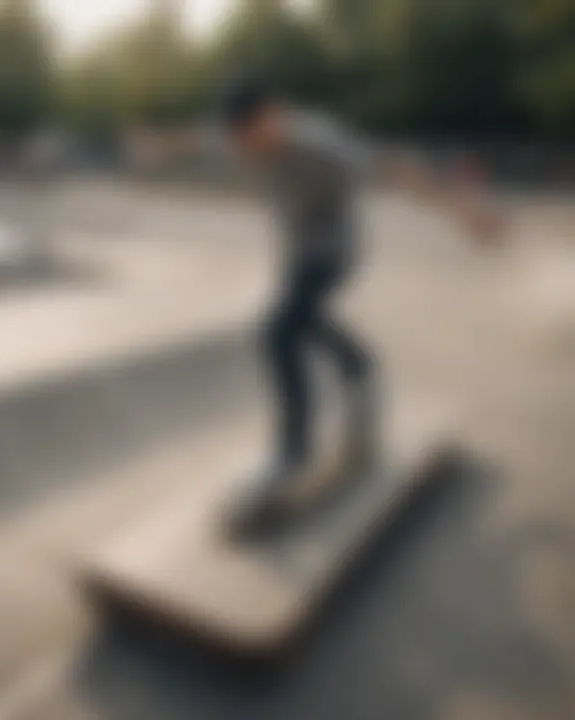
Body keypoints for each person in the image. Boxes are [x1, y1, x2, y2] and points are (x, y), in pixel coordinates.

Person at [205, 78, 504, 511]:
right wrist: (154, 143)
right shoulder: (239, 138)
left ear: (273, 116)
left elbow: (393, 170)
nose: (250, 151)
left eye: (254, 138)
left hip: (332, 251)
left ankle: (292, 455)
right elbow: (190, 136)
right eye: (241, 143)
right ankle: (360, 368)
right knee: (302, 320)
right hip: (296, 253)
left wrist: (465, 213)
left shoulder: (320, 143)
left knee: (277, 333)